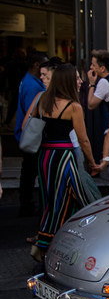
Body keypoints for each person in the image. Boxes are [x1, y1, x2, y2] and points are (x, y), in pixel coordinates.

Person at [25, 63, 97, 259]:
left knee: (50, 199)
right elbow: (83, 140)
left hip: (45, 156)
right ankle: (51, 243)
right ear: (67, 81)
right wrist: (92, 162)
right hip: (63, 156)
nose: (80, 81)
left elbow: (30, 123)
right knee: (76, 197)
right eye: (76, 78)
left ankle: (46, 242)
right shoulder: (73, 106)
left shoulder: (42, 101)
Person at [15, 51, 48, 217]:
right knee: (29, 172)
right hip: (31, 137)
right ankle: (26, 204)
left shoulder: (27, 81)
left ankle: (25, 202)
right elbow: (33, 116)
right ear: (37, 65)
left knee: (28, 171)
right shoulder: (33, 86)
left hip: (26, 136)